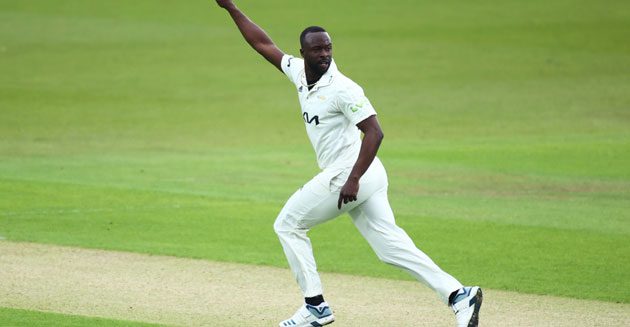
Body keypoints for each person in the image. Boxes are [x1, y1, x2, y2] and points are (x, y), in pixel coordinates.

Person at [215, 1, 483, 326]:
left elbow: (375, 132)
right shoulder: (299, 72)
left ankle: (315, 306)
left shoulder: (344, 89)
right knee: (390, 247)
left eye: (328, 48)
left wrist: (353, 178)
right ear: (304, 52)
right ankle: (459, 295)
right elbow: (262, 43)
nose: (324, 55)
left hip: (352, 173)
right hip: (363, 175)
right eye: (317, 50)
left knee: (288, 224)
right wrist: (230, 7)